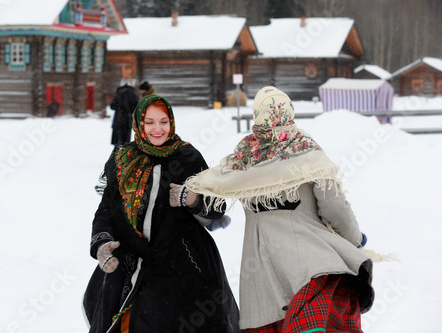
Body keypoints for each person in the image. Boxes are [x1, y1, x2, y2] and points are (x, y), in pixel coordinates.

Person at [182, 86, 375, 332]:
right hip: (309, 269)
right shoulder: (306, 150)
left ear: (257, 114)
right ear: (289, 111)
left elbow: (210, 202)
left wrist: (188, 200)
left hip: (262, 282)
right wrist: (354, 239)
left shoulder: (243, 159)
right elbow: (333, 207)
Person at [83, 94, 241, 333]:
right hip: (130, 262)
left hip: (183, 266)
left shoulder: (188, 157)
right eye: (149, 122)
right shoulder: (123, 159)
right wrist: (102, 243)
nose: (158, 129)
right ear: (139, 123)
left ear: (172, 122)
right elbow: (106, 210)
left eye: (164, 122)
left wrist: (192, 199)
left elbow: (216, 208)